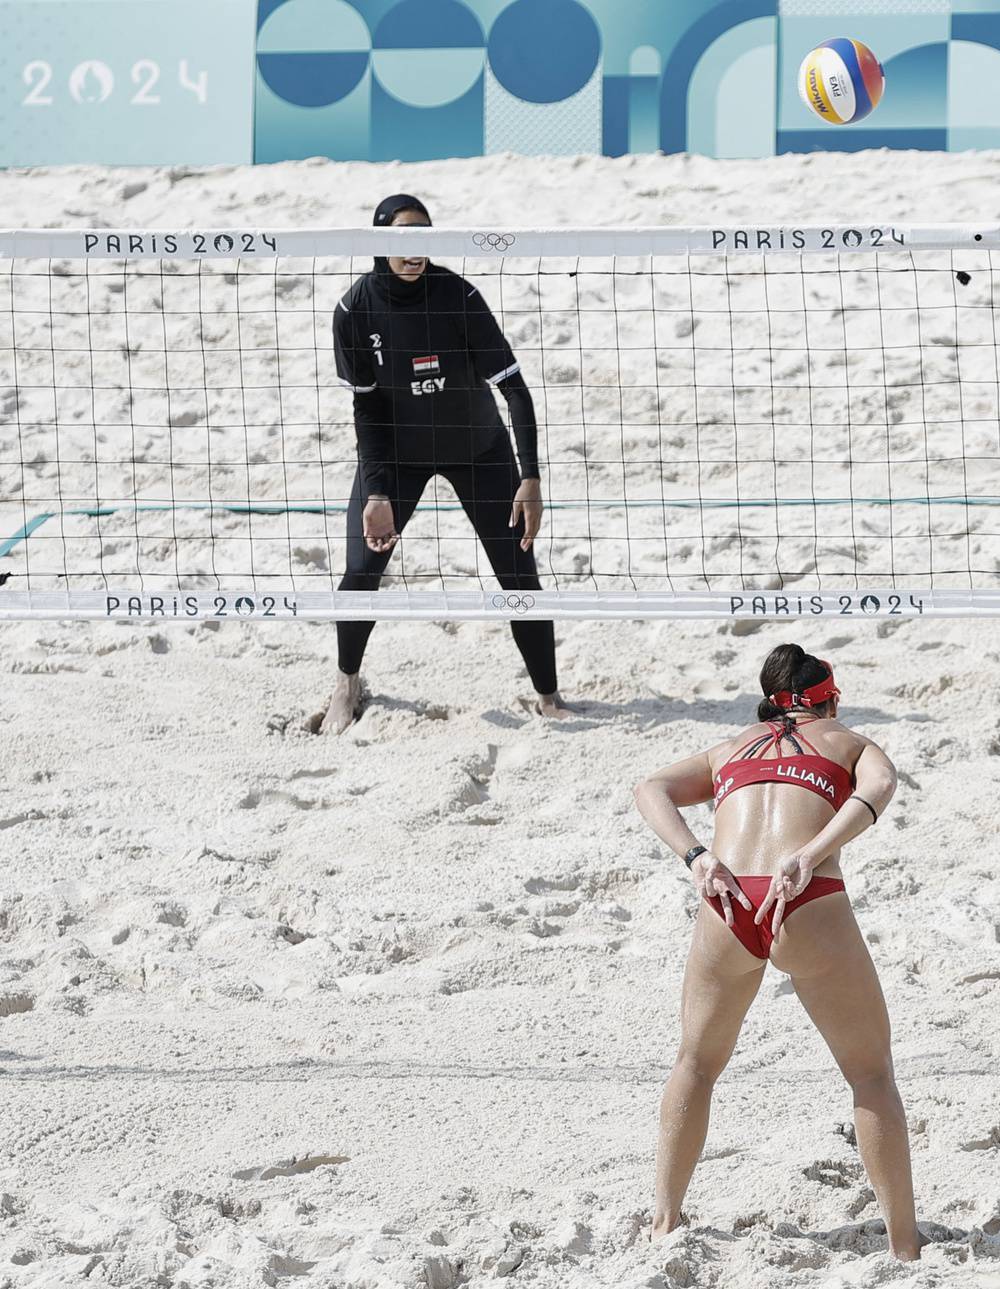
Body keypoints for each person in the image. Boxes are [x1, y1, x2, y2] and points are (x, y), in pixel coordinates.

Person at [631, 645, 918, 1260]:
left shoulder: (730, 747)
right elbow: (882, 787)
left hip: (729, 901)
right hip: (805, 896)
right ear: (831, 698)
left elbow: (649, 787)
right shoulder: (848, 743)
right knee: (870, 1076)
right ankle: (904, 1248)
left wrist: (698, 857)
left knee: (696, 1064)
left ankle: (664, 1221)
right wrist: (811, 853)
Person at [319, 194, 566, 733]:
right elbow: (368, 410)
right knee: (361, 571)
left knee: (518, 572)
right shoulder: (355, 310)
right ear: (381, 243)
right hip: (398, 456)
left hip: (478, 450)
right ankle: (345, 686)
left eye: (425, 237)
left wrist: (530, 476)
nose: (416, 251)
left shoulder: (458, 296)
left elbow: (516, 392)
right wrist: (378, 492)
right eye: (405, 240)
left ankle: (549, 696)